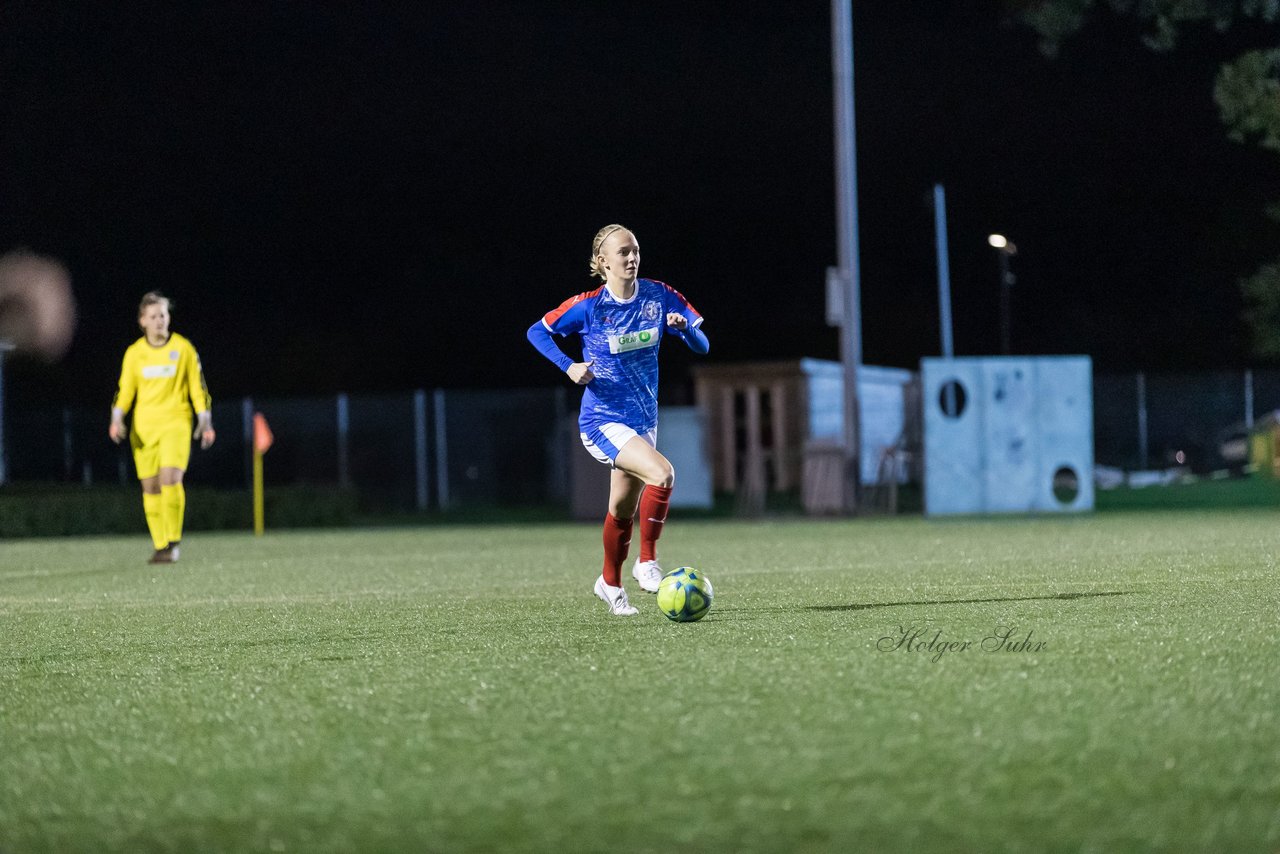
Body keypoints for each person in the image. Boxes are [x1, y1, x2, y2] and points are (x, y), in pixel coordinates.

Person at [528, 224, 709, 615]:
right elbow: (536, 332)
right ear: (602, 261)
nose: (631, 258)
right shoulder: (589, 306)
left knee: (622, 510)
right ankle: (648, 562)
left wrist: (684, 332)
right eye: (622, 252)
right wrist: (568, 366)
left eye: (635, 251)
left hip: (643, 419)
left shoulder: (659, 296)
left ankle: (609, 583)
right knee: (662, 474)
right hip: (602, 421)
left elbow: (703, 343)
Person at [108, 291, 214, 564]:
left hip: (176, 423)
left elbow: (197, 387)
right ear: (142, 321)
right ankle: (160, 546)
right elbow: (125, 391)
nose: (159, 321)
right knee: (151, 488)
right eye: (153, 316)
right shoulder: (134, 354)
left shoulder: (183, 349)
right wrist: (116, 419)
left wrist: (204, 420)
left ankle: (173, 541)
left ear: (169, 318)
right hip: (143, 430)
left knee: (170, 479)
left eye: (163, 315)